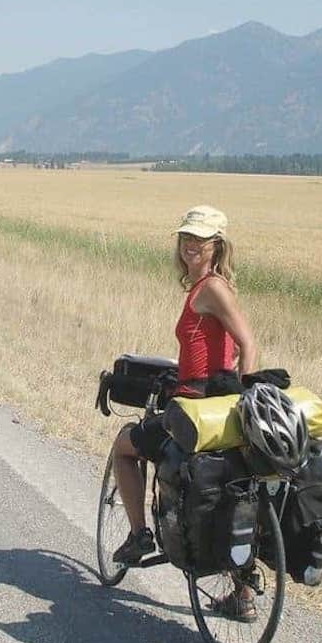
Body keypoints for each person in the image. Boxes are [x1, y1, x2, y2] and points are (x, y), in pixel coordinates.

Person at [108, 204, 258, 613]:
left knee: (124, 446)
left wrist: (246, 398)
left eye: (201, 240)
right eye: (186, 238)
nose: (191, 246)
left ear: (217, 246)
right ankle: (243, 594)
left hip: (198, 408)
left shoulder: (211, 288)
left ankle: (140, 534)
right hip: (201, 397)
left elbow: (247, 342)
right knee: (227, 487)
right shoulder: (206, 287)